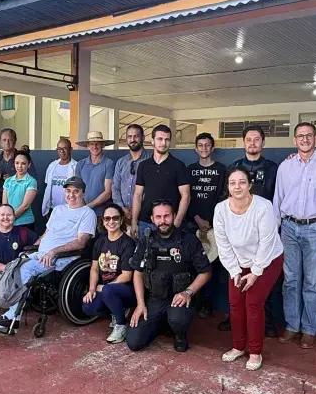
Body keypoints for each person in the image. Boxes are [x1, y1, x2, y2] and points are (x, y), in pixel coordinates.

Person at [0, 176, 96, 329]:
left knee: (25, 270)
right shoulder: (58, 210)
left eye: (76, 191)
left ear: (83, 193)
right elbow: (47, 234)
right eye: (68, 191)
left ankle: (12, 317)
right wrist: (33, 247)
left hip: (60, 259)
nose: (71, 195)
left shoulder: (87, 213)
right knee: (12, 265)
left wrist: (53, 251)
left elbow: (81, 242)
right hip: (41, 254)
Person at [273, 122, 316, 349]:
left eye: (309, 135)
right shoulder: (285, 167)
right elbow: (278, 199)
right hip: (288, 228)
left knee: (312, 281)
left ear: (315, 138)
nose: (304, 139)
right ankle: (292, 326)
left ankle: (309, 330)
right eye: (300, 136)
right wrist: (275, 230)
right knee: (290, 280)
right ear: (294, 140)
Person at [214, 168, 284, 371]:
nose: (237, 187)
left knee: (252, 304)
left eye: (242, 182)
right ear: (228, 187)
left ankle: (255, 351)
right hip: (238, 262)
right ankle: (238, 347)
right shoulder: (221, 209)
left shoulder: (263, 206)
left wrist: (255, 272)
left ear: (250, 185)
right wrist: (234, 271)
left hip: (267, 260)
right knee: (235, 303)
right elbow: (223, 244)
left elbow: (267, 242)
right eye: (233, 183)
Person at [127, 200, 212, 352]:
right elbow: (137, 273)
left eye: (166, 216)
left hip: (179, 298)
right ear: (152, 219)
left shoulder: (188, 240)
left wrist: (188, 292)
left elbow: (206, 272)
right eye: (158, 217)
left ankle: (180, 334)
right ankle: (161, 323)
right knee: (134, 342)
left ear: (174, 216)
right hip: (155, 298)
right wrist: (140, 304)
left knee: (177, 319)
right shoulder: (146, 240)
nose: (163, 221)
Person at [227, 124, 279, 334]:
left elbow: (278, 198)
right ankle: (236, 321)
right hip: (241, 234)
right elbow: (228, 199)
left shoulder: (273, 168)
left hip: (264, 231)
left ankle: (267, 323)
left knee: (264, 280)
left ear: (263, 142)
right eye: (249, 139)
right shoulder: (234, 167)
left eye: (257, 139)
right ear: (243, 142)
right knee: (237, 278)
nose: (252, 143)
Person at [82, 203, 137, 343]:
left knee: (108, 291)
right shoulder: (100, 242)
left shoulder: (127, 243)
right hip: (105, 288)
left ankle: (121, 325)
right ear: (103, 221)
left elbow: (127, 275)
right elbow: (94, 268)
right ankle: (116, 310)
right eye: (107, 218)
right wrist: (92, 289)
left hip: (125, 289)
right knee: (88, 307)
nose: (111, 222)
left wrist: (106, 287)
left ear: (121, 219)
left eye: (115, 218)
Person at [186, 132, 226, 318]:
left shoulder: (221, 170)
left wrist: (211, 221)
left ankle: (207, 304)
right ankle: (193, 300)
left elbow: (224, 196)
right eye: (200, 145)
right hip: (193, 225)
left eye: (207, 145)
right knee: (194, 263)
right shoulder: (190, 170)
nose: (204, 148)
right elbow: (186, 197)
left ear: (213, 147)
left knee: (212, 266)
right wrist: (197, 219)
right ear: (195, 149)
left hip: (214, 226)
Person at [131, 124, 190, 241]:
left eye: (167, 139)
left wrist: (176, 222)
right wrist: (134, 221)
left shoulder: (178, 165)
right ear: (152, 141)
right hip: (145, 222)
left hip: (168, 223)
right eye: (160, 139)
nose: (163, 143)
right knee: (144, 252)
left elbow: (186, 195)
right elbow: (137, 195)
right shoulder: (143, 166)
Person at [112, 124, 150, 222]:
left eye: (136, 136)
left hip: (144, 215)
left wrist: (136, 209)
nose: (132, 139)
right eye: (129, 136)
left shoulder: (151, 160)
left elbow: (151, 189)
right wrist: (121, 208)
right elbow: (115, 188)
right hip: (122, 214)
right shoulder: (121, 162)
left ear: (143, 138)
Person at [75, 131, 115, 215]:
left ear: (102, 145)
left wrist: (89, 206)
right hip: (83, 211)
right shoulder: (80, 164)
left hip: (102, 213)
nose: (95, 146)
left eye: (97, 144)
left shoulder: (109, 164)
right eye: (92, 144)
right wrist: (83, 207)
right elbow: (77, 188)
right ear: (88, 146)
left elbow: (108, 192)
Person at [41, 137, 78, 217]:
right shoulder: (52, 166)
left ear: (71, 150)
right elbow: (48, 186)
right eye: (59, 149)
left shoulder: (76, 167)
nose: (62, 151)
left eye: (65, 148)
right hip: (52, 210)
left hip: (69, 210)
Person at [2, 150, 37, 230]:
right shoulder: (8, 181)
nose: (19, 166)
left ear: (29, 165)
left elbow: (25, 206)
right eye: (17, 163)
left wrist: (9, 219)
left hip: (25, 223)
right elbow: (4, 205)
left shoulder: (31, 181)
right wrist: (6, 218)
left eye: (23, 163)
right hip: (8, 222)